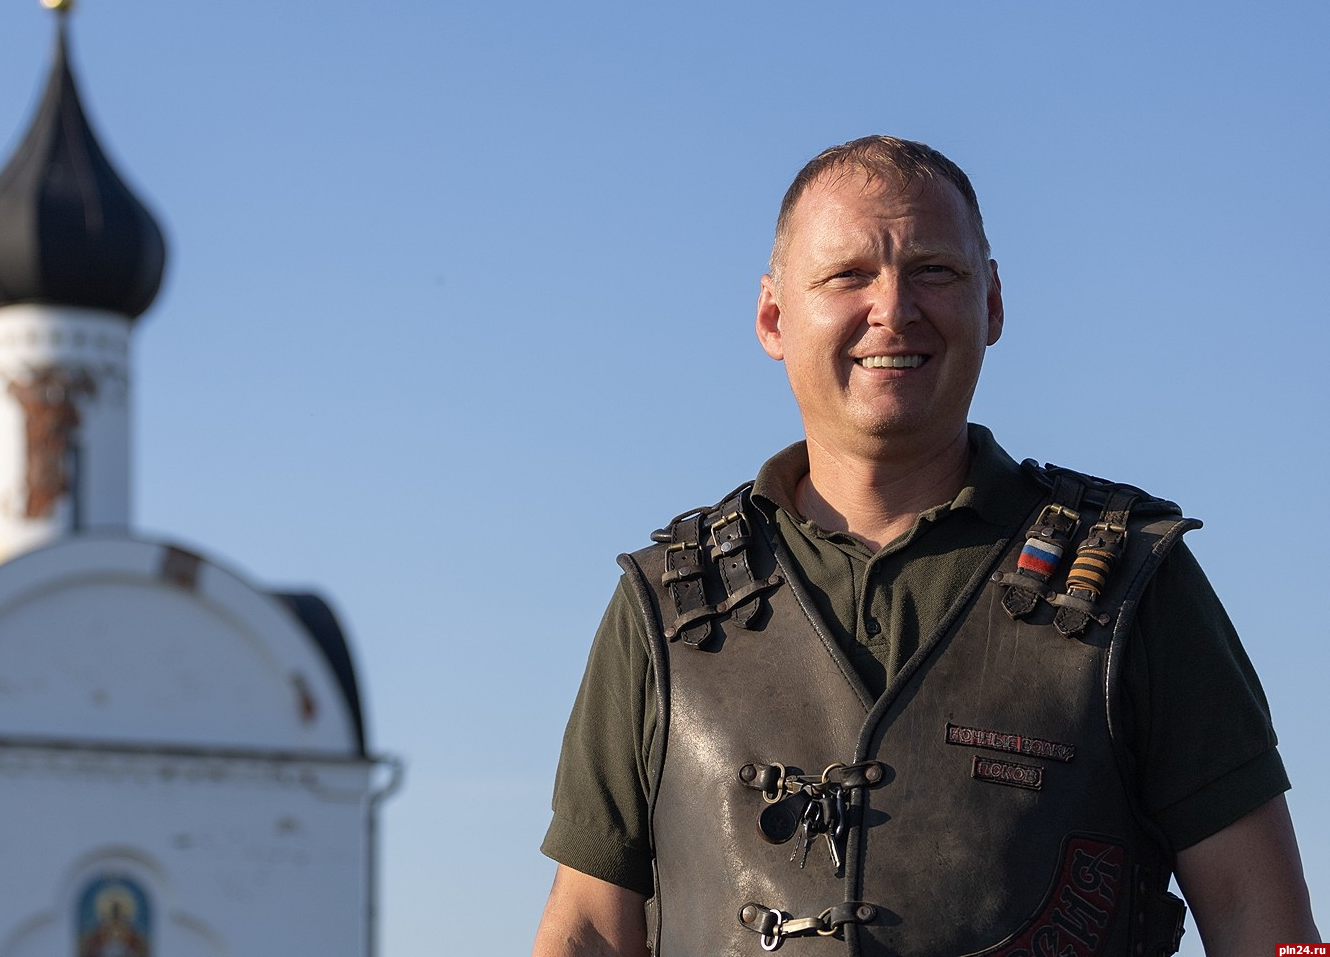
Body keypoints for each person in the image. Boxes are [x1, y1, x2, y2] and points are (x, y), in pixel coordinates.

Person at [531, 137, 1317, 956]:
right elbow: (584, 928)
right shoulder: (667, 607)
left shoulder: (1131, 581)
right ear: (773, 317)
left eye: (935, 271)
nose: (894, 309)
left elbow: (1267, 921)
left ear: (993, 304)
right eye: (847, 275)